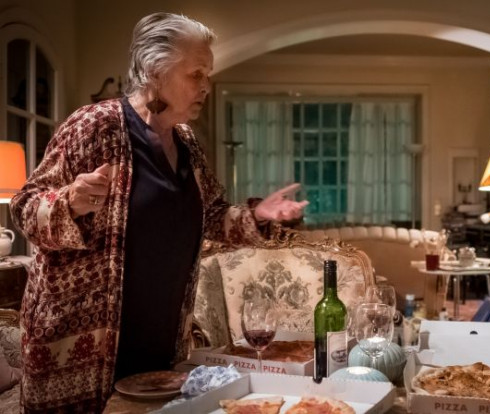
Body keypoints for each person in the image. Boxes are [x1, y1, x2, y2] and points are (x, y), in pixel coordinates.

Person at [10, 13, 307, 412]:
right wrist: (70, 202)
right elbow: (25, 207)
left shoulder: (186, 142)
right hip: (81, 353)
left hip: (160, 348)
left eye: (207, 75)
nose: (206, 85)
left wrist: (259, 215)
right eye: (196, 74)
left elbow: (212, 216)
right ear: (154, 72)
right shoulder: (95, 126)